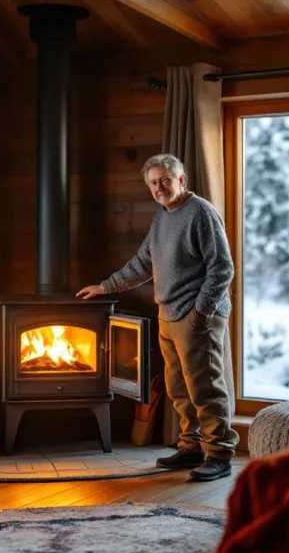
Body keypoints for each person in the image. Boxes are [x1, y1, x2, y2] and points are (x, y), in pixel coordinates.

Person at [77, 153, 238, 482]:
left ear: (181, 179)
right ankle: (191, 447)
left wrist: (201, 311)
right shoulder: (162, 218)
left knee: (204, 387)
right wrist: (105, 286)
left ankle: (219, 453)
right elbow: (141, 264)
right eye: (153, 183)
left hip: (195, 315)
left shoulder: (201, 213)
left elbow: (223, 267)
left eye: (165, 180)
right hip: (168, 314)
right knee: (178, 388)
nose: (159, 187)